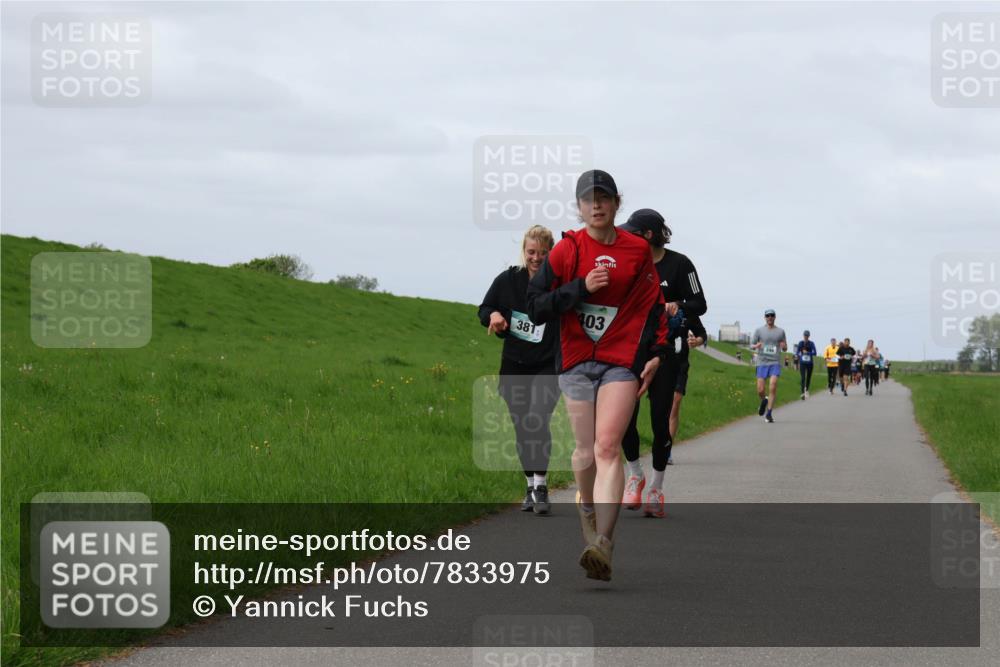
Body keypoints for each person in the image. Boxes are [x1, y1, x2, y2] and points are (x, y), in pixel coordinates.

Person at [527, 170, 669, 581]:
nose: (596, 205)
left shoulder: (636, 250)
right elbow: (535, 306)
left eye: (604, 198)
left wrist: (656, 354)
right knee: (585, 450)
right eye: (589, 199)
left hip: (620, 360)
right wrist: (580, 288)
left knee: (608, 447)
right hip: (574, 360)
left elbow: (653, 305)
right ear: (579, 206)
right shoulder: (566, 251)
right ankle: (586, 507)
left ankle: (603, 544)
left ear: (616, 203)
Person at [618, 208, 708, 518]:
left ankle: (656, 487)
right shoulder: (628, 265)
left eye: (632, 232)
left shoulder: (680, 264)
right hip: (631, 352)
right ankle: (635, 474)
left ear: (649, 236)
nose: (625, 236)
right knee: (624, 419)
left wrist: (677, 304)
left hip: (669, 351)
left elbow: (700, 304)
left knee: (660, 421)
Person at [478, 226, 561, 515]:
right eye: (531, 252)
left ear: (551, 253)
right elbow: (484, 308)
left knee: (538, 419)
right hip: (514, 364)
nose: (536, 258)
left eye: (542, 252)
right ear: (523, 252)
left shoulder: (557, 282)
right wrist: (495, 315)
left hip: (548, 364)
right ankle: (529, 485)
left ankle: (541, 485)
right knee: (523, 426)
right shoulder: (508, 280)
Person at [750, 309, 787, 423]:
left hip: (774, 362)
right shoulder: (759, 330)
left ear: (775, 317)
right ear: (765, 317)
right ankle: (764, 400)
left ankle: (769, 413)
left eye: (772, 315)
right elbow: (751, 345)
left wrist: (783, 346)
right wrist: (756, 345)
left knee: (772, 385)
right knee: (760, 390)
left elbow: (785, 348)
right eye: (768, 316)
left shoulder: (780, 331)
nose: (770, 317)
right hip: (762, 362)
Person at [795, 330, 817, 399]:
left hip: (810, 363)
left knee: (808, 377)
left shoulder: (811, 343)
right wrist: (800, 353)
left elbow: (815, 353)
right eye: (805, 335)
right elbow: (797, 352)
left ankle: (806, 389)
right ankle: (802, 393)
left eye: (807, 336)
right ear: (803, 336)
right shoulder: (800, 343)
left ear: (809, 336)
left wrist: (807, 353)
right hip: (802, 363)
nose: (806, 337)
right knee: (803, 378)